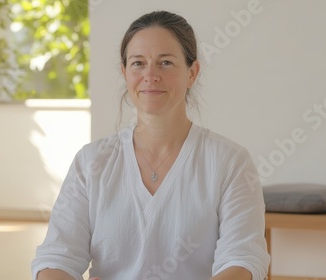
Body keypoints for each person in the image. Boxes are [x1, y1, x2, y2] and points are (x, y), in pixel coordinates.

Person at [31, 10, 270, 280]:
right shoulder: (91, 162)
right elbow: (56, 257)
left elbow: (243, 258)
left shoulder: (230, 162)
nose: (150, 75)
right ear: (124, 72)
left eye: (165, 63)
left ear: (192, 73)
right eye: (138, 63)